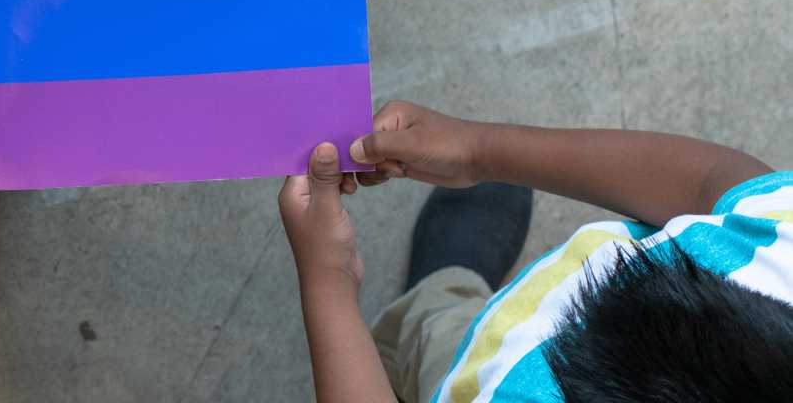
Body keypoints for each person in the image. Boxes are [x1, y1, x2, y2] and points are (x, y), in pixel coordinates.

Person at [277, 100, 793, 402]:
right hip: (497, 349)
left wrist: (328, 279)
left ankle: (436, 293)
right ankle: (445, 296)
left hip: (468, 379)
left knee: (430, 337)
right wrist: (475, 151)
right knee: (450, 327)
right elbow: (713, 182)